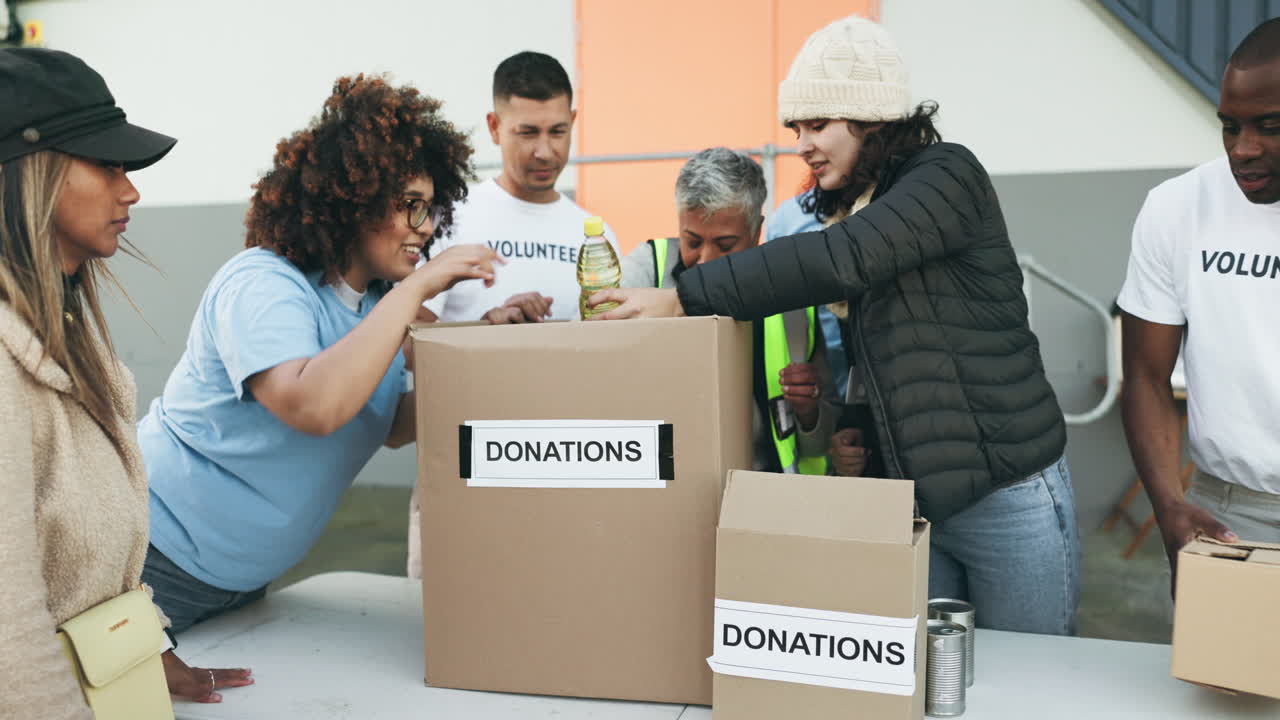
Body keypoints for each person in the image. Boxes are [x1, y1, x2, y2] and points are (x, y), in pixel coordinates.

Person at [590, 15, 1077, 635]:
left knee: (1036, 683)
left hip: (1009, 498)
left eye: (817, 124)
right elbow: (890, 355)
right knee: (934, 686)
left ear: (873, 119)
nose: (802, 143)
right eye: (797, 127)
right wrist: (853, 428)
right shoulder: (853, 207)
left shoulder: (946, 176)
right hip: (921, 503)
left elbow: (841, 261)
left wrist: (684, 297)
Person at [137, 74, 500, 633]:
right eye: (408, 205)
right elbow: (313, 406)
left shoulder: (380, 307)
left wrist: (499, 346)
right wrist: (416, 289)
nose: (424, 229)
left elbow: (393, 424)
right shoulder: (263, 281)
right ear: (353, 200)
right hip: (148, 562)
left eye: (429, 208)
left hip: (240, 582)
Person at [0, 48, 251, 715]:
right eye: (107, 164)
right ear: (32, 174)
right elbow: (10, 637)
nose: (131, 190)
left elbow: (83, 566)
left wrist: (143, 649)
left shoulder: (72, 334)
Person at [1118, 17, 1280, 590]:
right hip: (1232, 514)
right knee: (1227, 682)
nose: (1244, 149)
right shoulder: (1177, 208)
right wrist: (1168, 505)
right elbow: (1144, 374)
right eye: (1229, 126)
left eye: (1270, 126)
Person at [620, 147, 849, 476]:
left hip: (763, 497)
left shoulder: (791, 299)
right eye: (693, 241)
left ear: (757, 232)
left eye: (726, 245)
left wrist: (808, 409)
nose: (706, 261)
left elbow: (817, 445)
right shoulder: (644, 271)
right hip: (671, 495)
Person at [419, 50, 618, 325]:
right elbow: (404, 349)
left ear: (572, 122)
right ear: (494, 127)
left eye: (558, 132)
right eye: (528, 133)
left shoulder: (598, 238)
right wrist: (486, 327)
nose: (545, 152)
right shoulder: (448, 220)